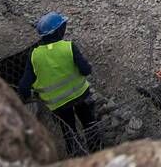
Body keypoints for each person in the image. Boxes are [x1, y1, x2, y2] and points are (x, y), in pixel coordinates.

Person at [18, 12, 102, 156]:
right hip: (80, 96)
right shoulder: (68, 47)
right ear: (57, 31)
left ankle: (76, 156)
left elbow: (23, 87)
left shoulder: (34, 56)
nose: (65, 29)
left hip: (58, 105)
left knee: (69, 133)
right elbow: (86, 70)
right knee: (90, 125)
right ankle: (98, 153)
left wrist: (32, 96)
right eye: (63, 27)